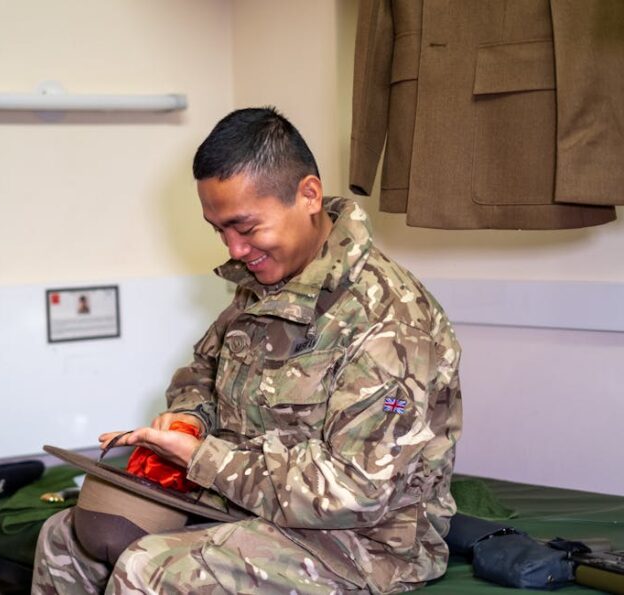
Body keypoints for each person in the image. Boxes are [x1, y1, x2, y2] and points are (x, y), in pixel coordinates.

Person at [32, 107, 463, 594]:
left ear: (308, 195)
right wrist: (188, 418)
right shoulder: (267, 284)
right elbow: (204, 372)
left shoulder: (388, 321)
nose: (234, 249)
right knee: (63, 539)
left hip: (361, 543)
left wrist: (201, 457)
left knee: (148, 572)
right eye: (220, 230)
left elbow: (354, 492)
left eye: (245, 227)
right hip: (245, 504)